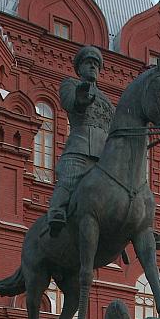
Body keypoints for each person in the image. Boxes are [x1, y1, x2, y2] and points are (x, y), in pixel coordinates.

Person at [47, 45, 115, 237]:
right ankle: (57, 211)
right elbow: (70, 103)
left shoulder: (107, 101)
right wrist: (80, 100)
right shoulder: (71, 85)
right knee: (69, 179)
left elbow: (116, 127)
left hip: (104, 158)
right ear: (79, 68)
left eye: (96, 64)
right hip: (80, 147)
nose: (93, 66)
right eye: (88, 63)